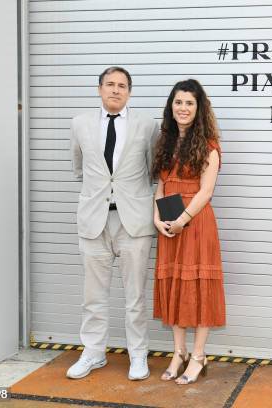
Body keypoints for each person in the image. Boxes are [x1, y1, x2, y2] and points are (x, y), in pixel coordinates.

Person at [66, 66, 159, 380]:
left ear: (129, 92)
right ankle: (93, 353)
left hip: (133, 223)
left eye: (122, 85)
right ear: (99, 88)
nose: (116, 90)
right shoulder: (80, 124)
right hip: (94, 221)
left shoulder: (147, 125)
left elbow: (152, 170)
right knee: (93, 296)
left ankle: (138, 356)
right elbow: (79, 168)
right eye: (110, 84)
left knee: (135, 297)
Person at [151, 79, 225, 385]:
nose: (183, 108)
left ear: (199, 108)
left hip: (195, 223)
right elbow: (161, 185)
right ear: (171, 106)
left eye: (189, 103)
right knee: (174, 286)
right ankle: (178, 352)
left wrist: (182, 219)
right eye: (178, 102)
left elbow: (206, 191)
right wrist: (157, 217)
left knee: (199, 288)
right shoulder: (165, 142)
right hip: (169, 222)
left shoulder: (209, 145)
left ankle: (198, 356)